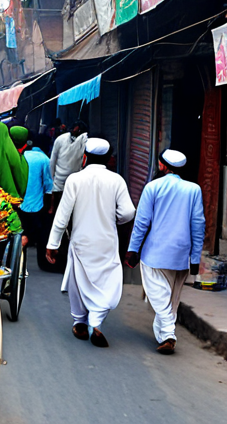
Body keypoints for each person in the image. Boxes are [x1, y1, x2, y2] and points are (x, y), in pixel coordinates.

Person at [46, 138, 136, 347]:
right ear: (108, 159)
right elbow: (128, 212)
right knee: (105, 279)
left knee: (78, 280)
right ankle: (96, 321)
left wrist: (53, 243)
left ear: (84, 157)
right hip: (106, 240)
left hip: (81, 240)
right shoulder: (117, 180)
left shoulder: (74, 179)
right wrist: (116, 219)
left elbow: (62, 216)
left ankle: (79, 321)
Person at [125, 150, 205, 354]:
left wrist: (132, 249)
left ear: (162, 166)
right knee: (171, 299)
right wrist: (195, 257)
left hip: (155, 253)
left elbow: (141, 222)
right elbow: (198, 225)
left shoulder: (152, 187)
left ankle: (169, 335)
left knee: (161, 298)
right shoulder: (193, 189)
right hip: (181, 255)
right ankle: (164, 336)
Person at [20, 134, 53, 268]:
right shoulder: (44, 159)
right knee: (40, 233)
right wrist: (51, 205)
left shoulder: (21, 156)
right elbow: (48, 184)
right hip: (37, 204)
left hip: (20, 202)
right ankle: (42, 260)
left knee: (21, 232)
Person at [49, 120, 88, 213]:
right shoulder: (61, 139)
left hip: (75, 176)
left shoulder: (84, 140)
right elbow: (53, 160)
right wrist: (52, 177)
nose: (75, 132)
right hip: (59, 177)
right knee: (57, 201)